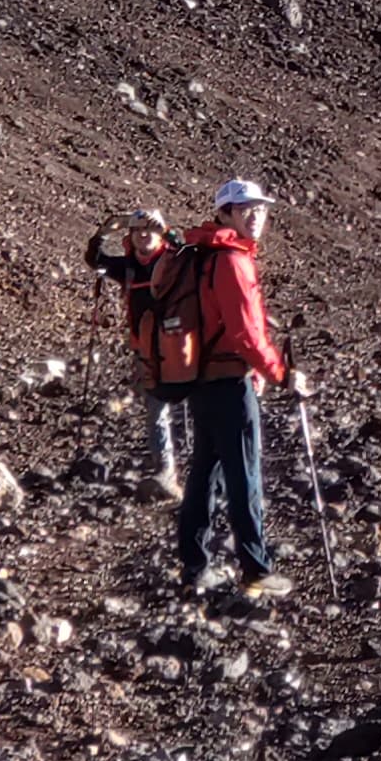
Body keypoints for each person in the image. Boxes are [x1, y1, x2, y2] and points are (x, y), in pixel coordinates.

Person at [156, 176, 296, 594]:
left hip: (200, 377)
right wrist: (280, 373)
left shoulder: (201, 253)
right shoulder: (232, 260)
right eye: (247, 209)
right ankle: (256, 568)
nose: (256, 216)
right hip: (229, 381)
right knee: (243, 474)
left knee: (205, 473)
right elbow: (245, 333)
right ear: (226, 213)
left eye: (260, 208)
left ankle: (194, 567)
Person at [85, 208, 183, 497]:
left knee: (190, 406)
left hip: (182, 347)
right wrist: (101, 234)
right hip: (147, 350)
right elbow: (95, 260)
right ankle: (166, 469)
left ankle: (202, 467)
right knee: (157, 411)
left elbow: (196, 256)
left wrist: (170, 234)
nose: (143, 234)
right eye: (137, 230)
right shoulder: (127, 266)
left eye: (150, 230)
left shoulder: (174, 260)